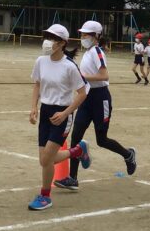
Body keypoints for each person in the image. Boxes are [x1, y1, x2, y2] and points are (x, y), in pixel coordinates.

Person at [58, 21, 137, 192]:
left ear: (96, 36)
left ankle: (128, 154)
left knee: (102, 140)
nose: (83, 37)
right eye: (82, 34)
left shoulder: (97, 52)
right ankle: (73, 178)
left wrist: (82, 76)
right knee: (76, 136)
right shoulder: (87, 53)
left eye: (86, 34)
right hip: (86, 98)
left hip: (101, 99)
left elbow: (104, 75)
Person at [28, 24, 90, 210]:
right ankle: (78, 151)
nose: (48, 42)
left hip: (62, 114)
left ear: (62, 43)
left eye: (53, 38)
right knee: (44, 159)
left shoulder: (69, 66)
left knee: (46, 160)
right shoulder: (41, 61)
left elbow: (82, 93)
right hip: (46, 112)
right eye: (47, 37)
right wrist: (34, 107)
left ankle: (45, 196)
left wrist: (65, 113)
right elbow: (37, 85)